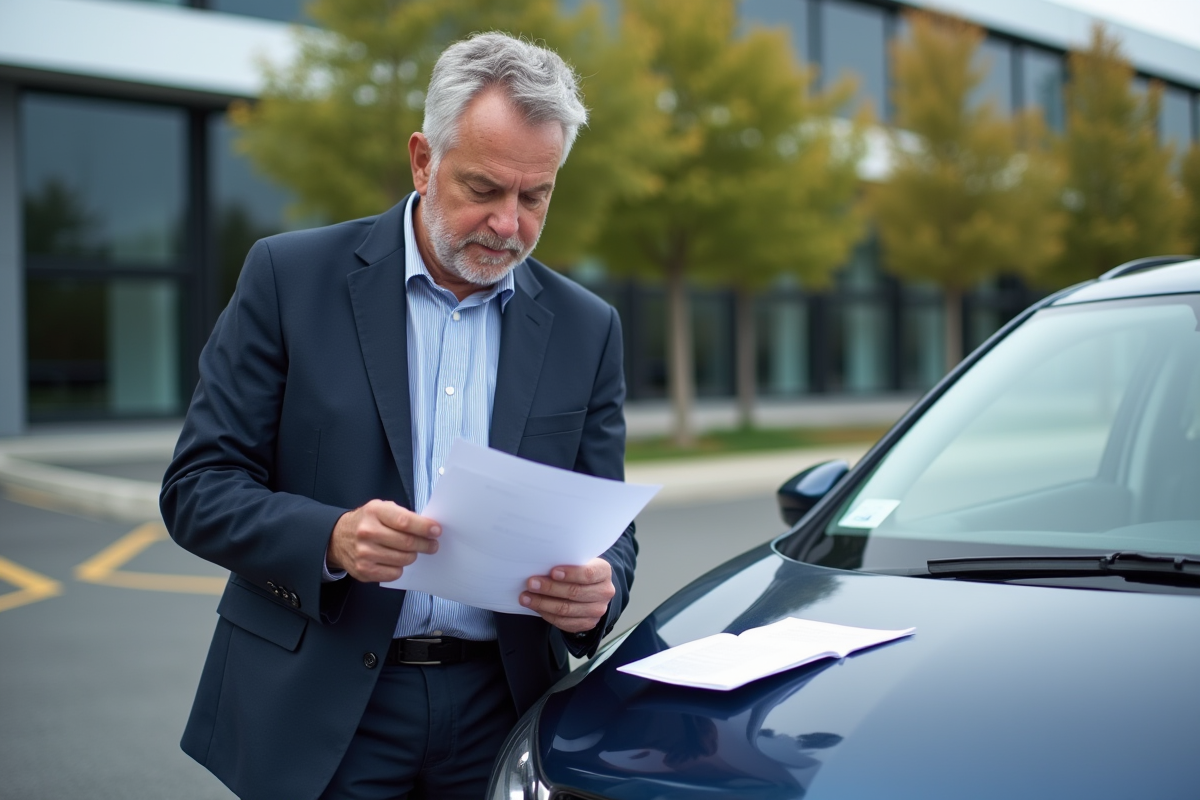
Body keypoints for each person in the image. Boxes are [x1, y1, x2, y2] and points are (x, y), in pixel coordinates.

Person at [160, 32, 637, 800]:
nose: (509, 224)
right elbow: (197, 488)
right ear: (423, 159)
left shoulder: (589, 329)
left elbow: (608, 525)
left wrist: (599, 590)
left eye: (535, 196)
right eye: (484, 189)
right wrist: (332, 539)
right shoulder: (288, 279)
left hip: (502, 707)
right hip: (321, 703)